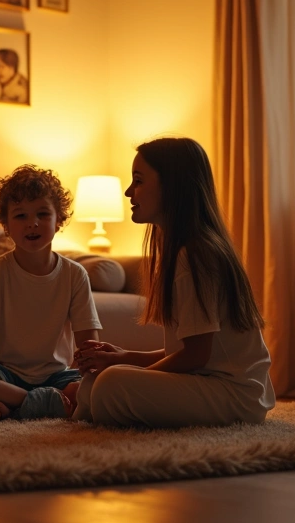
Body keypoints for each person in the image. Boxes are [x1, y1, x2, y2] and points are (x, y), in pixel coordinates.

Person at [73, 137, 276, 428]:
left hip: (236, 395)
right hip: (210, 382)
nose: (129, 191)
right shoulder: (182, 251)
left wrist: (132, 371)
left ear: (172, 186)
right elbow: (185, 353)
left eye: (138, 181)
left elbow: (196, 355)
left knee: (110, 383)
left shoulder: (196, 255)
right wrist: (123, 357)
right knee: (100, 379)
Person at [0, 165, 101, 419]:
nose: (32, 223)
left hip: (56, 375)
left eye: (42, 214)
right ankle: (33, 402)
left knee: (91, 388)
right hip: (3, 371)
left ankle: (8, 405)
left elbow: (89, 344)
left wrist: (94, 375)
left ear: (58, 220)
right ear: (5, 225)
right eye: (20, 216)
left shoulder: (75, 274)